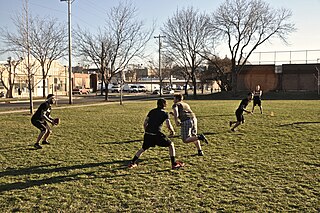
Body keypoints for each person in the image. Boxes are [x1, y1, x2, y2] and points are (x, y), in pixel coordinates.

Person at [128, 98, 184, 170]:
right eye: (165, 103)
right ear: (163, 104)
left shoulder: (151, 111)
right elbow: (168, 124)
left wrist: (147, 131)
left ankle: (132, 162)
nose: (166, 104)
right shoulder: (165, 113)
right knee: (171, 145)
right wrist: (172, 131)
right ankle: (174, 164)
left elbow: (145, 123)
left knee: (143, 148)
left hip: (148, 134)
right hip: (157, 134)